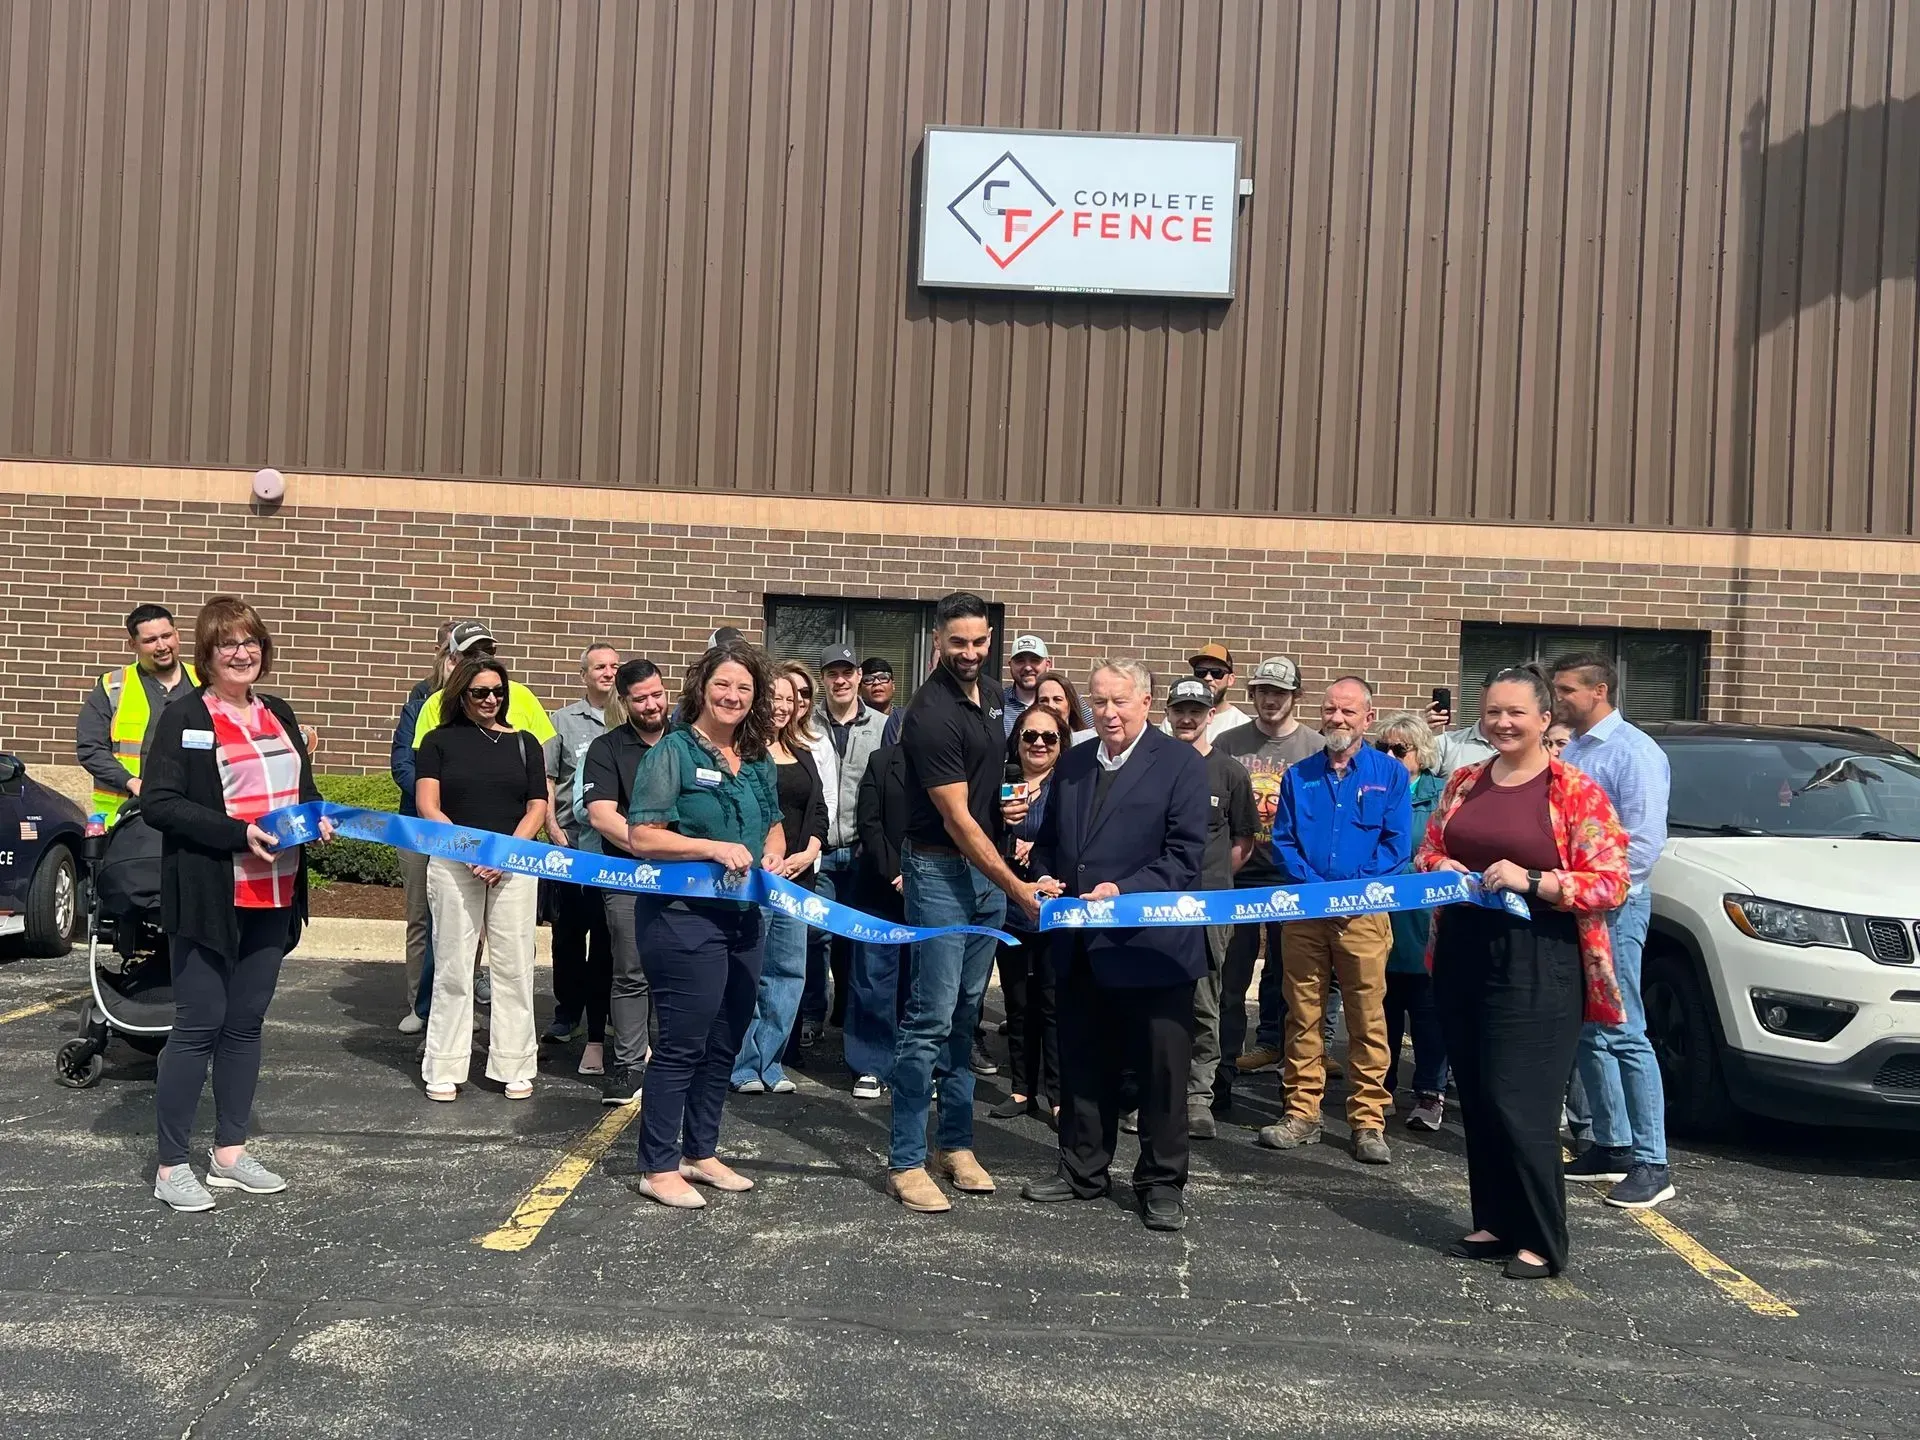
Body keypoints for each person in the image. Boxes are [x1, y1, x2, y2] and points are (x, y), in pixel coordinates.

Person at [1414, 667, 1629, 1280]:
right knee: (1479, 1096)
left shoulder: (1574, 790)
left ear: (1543, 720)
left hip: (1541, 959)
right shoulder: (1462, 781)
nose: (1502, 723)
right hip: (1462, 954)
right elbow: (1428, 847)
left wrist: (1534, 881)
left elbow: (1612, 880)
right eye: (1492, 713)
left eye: (1515, 713)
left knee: (1521, 1103)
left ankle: (1542, 1236)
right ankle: (1497, 1220)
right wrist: (1444, 863)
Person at [143, 596, 330, 1211]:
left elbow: (300, 788)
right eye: (228, 644)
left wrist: (316, 817)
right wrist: (236, 832)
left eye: (251, 642)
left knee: (246, 1023)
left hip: (273, 894)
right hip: (209, 895)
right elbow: (162, 804)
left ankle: (228, 1153)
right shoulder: (184, 717)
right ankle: (171, 1164)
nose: (242, 653)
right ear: (208, 654)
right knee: (198, 1027)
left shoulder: (278, 711)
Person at [1020, 659, 1206, 1231]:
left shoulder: (1180, 764)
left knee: (1161, 1073)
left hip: (1151, 948)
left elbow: (1184, 855)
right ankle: (1082, 1168)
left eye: (1119, 701)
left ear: (1146, 702)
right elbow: (1050, 842)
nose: (1107, 713)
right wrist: (1046, 876)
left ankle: (1161, 1183)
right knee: (1082, 1063)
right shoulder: (1072, 762)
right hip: (1080, 947)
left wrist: (1122, 891)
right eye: (1098, 702)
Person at [888, 592, 1050, 1214]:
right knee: (928, 1019)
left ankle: (955, 1145)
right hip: (939, 874)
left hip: (982, 876)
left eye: (980, 642)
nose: (971, 653)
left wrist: (1004, 810)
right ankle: (906, 1158)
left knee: (963, 1017)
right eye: (959, 642)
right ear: (937, 642)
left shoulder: (986, 703)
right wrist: (1018, 887)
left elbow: (977, 797)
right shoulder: (931, 713)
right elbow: (953, 820)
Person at [625, 640, 784, 1209]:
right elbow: (643, 837)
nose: (733, 696)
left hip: (744, 919)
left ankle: (700, 1151)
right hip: (682, 919)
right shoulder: (670, 752)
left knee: (726, 1039)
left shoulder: (758, 757)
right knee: (683, 1042)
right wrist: (713, 847)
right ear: (702, 689)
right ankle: (657, 1164)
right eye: (723, 685)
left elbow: (772, 826)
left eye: (744, 687)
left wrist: (772, 854)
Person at [1256, 678, 1413, 1165]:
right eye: (1330, 711)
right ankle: (1301, 1111)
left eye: (1348, 712)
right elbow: (1282, 839)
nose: (1337, 720)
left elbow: (1396, 845)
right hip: (1306, 912)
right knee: (1301, 1013)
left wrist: (1353, 893)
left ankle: (1368, 1120)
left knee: (1367, 1018)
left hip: (1364, 915)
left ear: (1368, 717)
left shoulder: (1390, 774)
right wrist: (1315, 890)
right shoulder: (1298, 774)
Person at [1552, 651, 1675, 1210]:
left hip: (1614, 907)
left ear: (1599, 691)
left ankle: (1653, 1162)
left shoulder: (1634, 753)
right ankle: (1611, 1143)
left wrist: (1596, 892)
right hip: (1578, 905)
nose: (1559, 700)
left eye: (1567, 690)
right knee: (1590, 1027)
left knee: (1625, 1029)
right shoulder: (1575, 749)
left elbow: (1644, 843)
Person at [414, 655, 549, 1103]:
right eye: (480, 692)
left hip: (514, 865)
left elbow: (537, 807)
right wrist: (470, 852)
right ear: (461, 695)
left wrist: (505, 854)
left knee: (513, 967)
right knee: (453, 964)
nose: (491, 699)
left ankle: (514, 1062)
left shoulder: (526, 743)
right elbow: (428, 806)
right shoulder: (437, 741)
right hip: (455, 864)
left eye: (498, 692)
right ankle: (444, 1064)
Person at [1216, 656, 1326, 1094]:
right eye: (1263, 691)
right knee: (1231, 977)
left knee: (1292, 977)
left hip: (1292, 877)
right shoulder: (1228, 742)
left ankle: (1282, 1059)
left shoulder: (1315, 747)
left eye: (1279, 692)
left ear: (1295, 696)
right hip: (1240, 874)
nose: (1270, 699)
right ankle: (1220, 1073)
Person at [1163, 678, 1256, 1140]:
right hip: (1157, 904)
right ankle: (1156, 1094)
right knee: (1158, 999)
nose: (1187, 718)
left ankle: (1198, 1097)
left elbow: (1243, 842)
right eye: (1179, 709)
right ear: (1167, 711)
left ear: (1210, 715)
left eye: (1195, 711)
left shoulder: (1230, 772)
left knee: (1205, 1000)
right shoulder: (1153, 764)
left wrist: (1214, 881)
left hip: (1211, 903)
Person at [732, 665, 828, 1094]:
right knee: (750, 972)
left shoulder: (803, 754)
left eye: (791, 699)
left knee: (790, 972)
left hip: (797, 881)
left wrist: (808, 853)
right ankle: (741, 1063)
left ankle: (770, 1061)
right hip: (754, 879)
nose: (783, 706)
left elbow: (819, 813)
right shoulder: (741, 753)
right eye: (775, 697)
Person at [580, 657, 670, 1105]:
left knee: (682, 971)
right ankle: (630, 1064)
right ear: (625, 701)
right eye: (641, 699)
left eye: (657, 694)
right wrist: (648, 845)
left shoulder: (691, 742)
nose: (652, 705)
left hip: (688, 876)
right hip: (627, 876)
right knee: (630, 971)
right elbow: (600, 815)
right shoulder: (607, 748)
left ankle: (679, 1061)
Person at [987, 702, 1069, 1125]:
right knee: (1017, 1002)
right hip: (1010, 908)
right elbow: (978, 836)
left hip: (1054, 905)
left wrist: (1039, 856)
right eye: (1030, 736)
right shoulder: (999, 782)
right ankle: (1021, 1090)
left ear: (1060, 744)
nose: (1038, 743)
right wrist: (1004, 837)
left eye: (1048, 737)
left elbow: (1074, 839)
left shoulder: (1069, 784)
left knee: (1053, 1003)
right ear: (1016, 740)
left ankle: (1056, 1095)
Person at [543, 643, 621, 1074]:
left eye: (614, 667)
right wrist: (554, 831)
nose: (608, 673)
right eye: (600, 667)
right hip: (572, 843)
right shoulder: (562, 721)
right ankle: (567, 1010)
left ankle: (608, 1012)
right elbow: (549, 778)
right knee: (569, 930)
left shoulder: (625, 715)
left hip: (611, 847)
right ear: (584, 674)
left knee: (610, 933)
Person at [801, 645, 881, 1051]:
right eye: (833, 673)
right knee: (815, 936)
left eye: (847, 672)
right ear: (823, 679)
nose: (841, 680)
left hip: (864, 851)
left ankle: (852, 1014)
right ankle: (813, 1011)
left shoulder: (883, 725)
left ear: (859, 675)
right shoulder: (806, 724)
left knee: (860, 939)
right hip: (820, 851)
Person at [1375, 712, 1450, 1132]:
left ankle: (1429, 1093)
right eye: (1381, 748)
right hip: (1381, 919)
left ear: (1420, 754)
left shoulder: (1442, 795)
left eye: (1398, 750)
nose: (1388, 755)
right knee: (1380, 1009)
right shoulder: (1369, 789)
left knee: (1428, 1013)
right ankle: (1379, 1089)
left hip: (1425, 920)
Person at [77, 602, 201, 828]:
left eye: (166, 636)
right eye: (150, 640)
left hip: (194, 810)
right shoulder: (113, 686)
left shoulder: (205, 682)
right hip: (129, 815)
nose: (162, 646)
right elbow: (90, 747)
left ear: (177, 635)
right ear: (132, 644)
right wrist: (131, 782)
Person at [390, 621, 456, 1033]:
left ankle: (455, 999)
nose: (457, 662)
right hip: (418, 825)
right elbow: (402, 763)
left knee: (463, 918)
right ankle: (419, 1004)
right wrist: (434, 802)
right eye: (451, 653)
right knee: (421, 917)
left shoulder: (487, 700)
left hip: (464, 827)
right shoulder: (419, 701)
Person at [847, 738, 911, 1099]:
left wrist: (919, 875)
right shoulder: (881, 760)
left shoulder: (950, 765)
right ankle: (870, 1064)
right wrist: (896, 873)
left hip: (933, 887)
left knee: (919, 983)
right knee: (873, 979)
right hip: (880, 886)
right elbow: (869, 822)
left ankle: (911, 1064)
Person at [1428, 668, 1505, 777]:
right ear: (1482, 694)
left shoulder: (1530, 750)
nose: (1502, 700)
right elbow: (1409, 778)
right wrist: (1421, 732)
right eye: (1496, 692)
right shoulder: (1447, 744)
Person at [1173, 642, 1252, 741]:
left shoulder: (1241, 724)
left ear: (1230, 679)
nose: (1208, 677)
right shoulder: (1176, 719)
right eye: (1201, 672)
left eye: (1216, 672)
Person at [1002, 634, 1056, 737]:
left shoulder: (1067, 700)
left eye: (1035, 660)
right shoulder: (997, 702)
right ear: (1010, 665)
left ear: (1048, 664)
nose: (1027, 667)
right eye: (1020, 661)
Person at [1034, 673, 1096, 747]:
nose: (1050, 705)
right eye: (1043, 700)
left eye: (1057, 699)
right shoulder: (1030, 741)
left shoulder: (1088, 741)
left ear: (1070, 703)